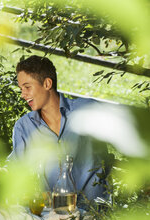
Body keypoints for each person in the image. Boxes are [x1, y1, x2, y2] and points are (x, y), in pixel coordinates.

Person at [10, 55, 112, 205]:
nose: (22, 94)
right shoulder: (24, 127)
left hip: (95, 213)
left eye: (27, 87)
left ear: (47, 83)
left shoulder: (87, 109)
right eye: (21, 89)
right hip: (54, 216)